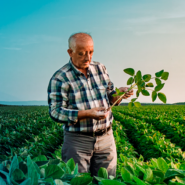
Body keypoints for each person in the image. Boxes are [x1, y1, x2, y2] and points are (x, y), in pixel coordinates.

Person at [47, 32, 133, 177]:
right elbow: (55, 112)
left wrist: (119, 95)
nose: (88, 57)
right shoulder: (60, 78)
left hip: (106, 138)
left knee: (107, 183)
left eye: (91, 52)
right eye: (81, 53)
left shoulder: (100, 68)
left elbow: (110, 96)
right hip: (78, 141)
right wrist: (87, 113)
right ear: (70, 52)